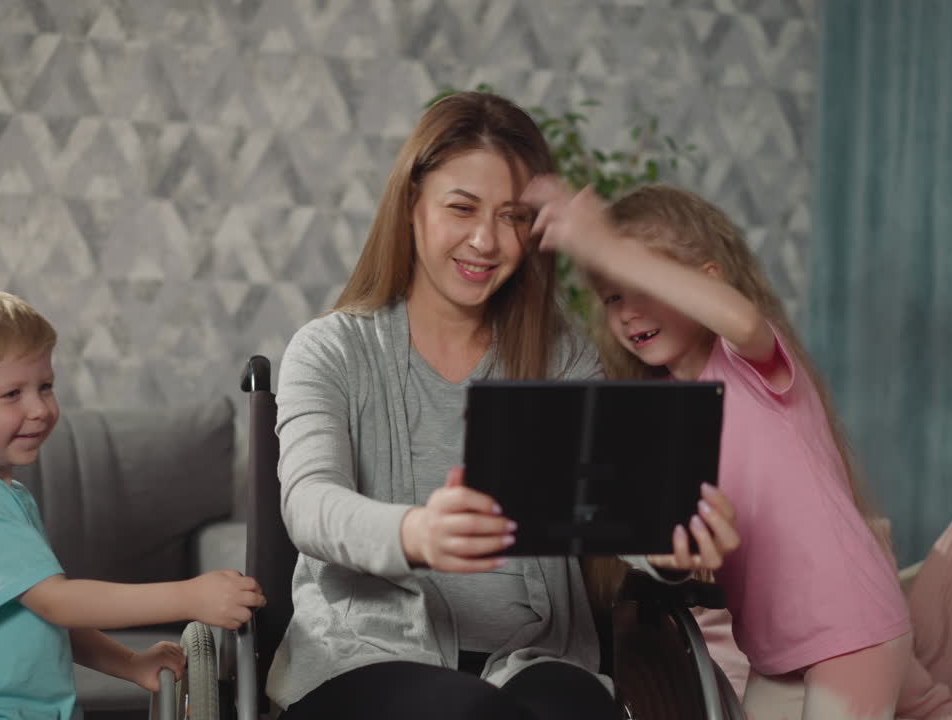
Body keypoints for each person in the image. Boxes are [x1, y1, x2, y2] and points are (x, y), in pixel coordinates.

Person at [267, 92, 740, 720]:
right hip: (366, 662)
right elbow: (307, 504)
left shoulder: (562, 356)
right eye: (462, 208)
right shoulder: (331, 349)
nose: (486, 241)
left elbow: (613, 504)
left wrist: (666, 546)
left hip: (535, 662)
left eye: (513, 217)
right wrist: (416, 531)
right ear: (412, 205)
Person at [522, 180, 913, 720]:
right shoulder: (662, 414)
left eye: (642, 286)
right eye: (613, 297)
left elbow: (742, 319)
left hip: (851, 627)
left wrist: (608, 247)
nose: (629, 313)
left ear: (705, 283)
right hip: (775, 650)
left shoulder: (751, 363)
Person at [0, 288, 265, 720]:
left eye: (45, 386)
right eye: (12, 394)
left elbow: (44, 617)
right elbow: (59, 602)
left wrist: (129, 663)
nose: (40, 408)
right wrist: (188, 596)